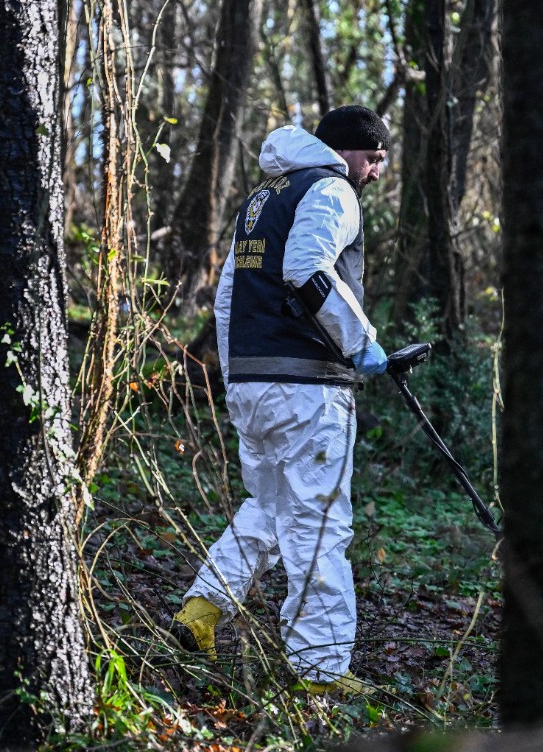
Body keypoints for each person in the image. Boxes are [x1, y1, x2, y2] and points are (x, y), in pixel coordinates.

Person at [170, 105, 391, 697]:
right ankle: (321, 672)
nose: (375, 172)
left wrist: (235, 371)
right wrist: (362, 341)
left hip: (252, 382)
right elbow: (305, 267)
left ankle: (202, 611)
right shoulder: (330, 189)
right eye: (373, 158)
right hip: (306, 388)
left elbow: (227, 297)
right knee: (319, 522)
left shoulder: (265, 197)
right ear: (346, 151)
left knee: (269, 507)